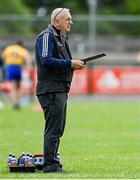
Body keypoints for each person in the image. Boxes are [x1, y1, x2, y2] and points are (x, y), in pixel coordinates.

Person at [35, 8, 85, 173]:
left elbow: (61, 62)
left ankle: (53, 161)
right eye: (67, 19)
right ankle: (50, 165)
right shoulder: (47, 36)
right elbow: (46, 59)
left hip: (60, 88)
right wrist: (70, 64)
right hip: (51, 89)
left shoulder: (62, 37)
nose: (71, 22)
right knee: (54, 128)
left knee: (58, 128)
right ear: (56, 21)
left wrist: (73, 65)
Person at [2, 40, 31, 109]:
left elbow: (3, 57)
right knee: (18, 86)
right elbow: (28, 59)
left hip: (10, 67)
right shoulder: (23, 50)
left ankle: (14, 102)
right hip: (18, 67)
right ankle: (17, 102)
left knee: (13, 86)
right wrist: (28, 67)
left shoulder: (9, 48)